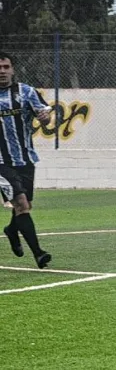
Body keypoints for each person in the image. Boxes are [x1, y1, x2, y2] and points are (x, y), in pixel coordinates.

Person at [0, 51, 53, 268]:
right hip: (1, 162)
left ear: (12, 69)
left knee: (25, 204)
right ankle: (39, 254)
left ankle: (12, 230)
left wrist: (45, 117)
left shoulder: (26, 92)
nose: (2, 72)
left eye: (5, 67)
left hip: (26, 158)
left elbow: (44, 114)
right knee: (21, 204)